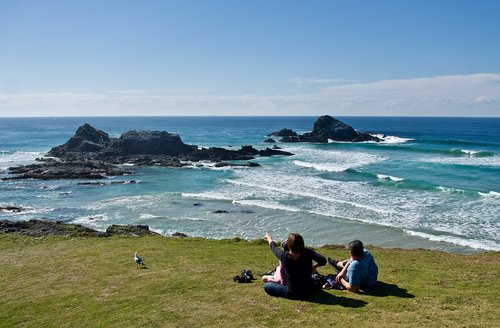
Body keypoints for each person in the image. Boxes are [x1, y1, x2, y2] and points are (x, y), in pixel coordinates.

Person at [263, 232, 326, 298]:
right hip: (308, 290)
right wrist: (313, 267)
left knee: (267, 286)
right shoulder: (308, 252)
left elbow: (274, 247)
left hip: (292, 292)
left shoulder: (284, 255)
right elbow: (323, 260)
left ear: (288, 246)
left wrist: (269, 238)